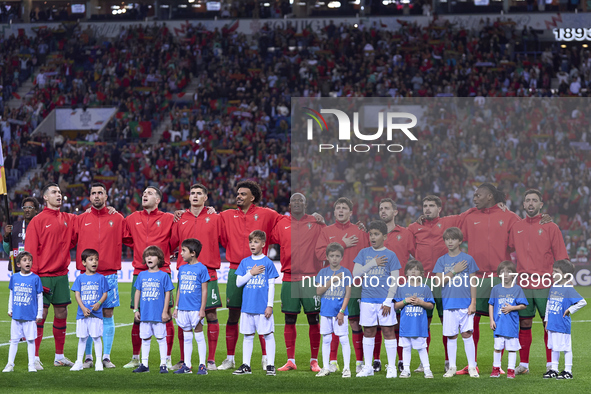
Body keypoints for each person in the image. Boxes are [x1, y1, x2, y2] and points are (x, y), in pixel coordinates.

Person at [218, 181, 281, 371]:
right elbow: (210, 223)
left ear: (252, 197)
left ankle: (265, 357)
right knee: (233, 314)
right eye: (237, 193)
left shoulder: (267, 214)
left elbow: (286, 223)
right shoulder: (226, 215)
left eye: (243, 194)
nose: (238, 196)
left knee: (262, 313)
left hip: (260, 269)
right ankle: (230, 358)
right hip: (236, 268)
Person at [458, 183, 521, 374]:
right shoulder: (471, 217)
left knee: (501, 320)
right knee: (471, 321)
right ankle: (472, 363)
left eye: (478, 195)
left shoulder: (509, 217)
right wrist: (470, 210)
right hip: (476, 276)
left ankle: (498, 366)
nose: (474, 198)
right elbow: (452, 227)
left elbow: (522, 233)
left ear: (490, 197)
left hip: (501, 278)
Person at [407, 195, 473, 372]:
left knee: (447, 322)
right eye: (425, 205)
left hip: (446, 281)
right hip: (423, 281)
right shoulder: (414, 227)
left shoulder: (449, 221)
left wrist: (496, 203)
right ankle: (423, 361)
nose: (427, 209)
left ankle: (447, 361)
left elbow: (469, 213)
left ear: (439, 209)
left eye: (431, 206)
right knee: (423, 323)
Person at [508, 189, 568, 375]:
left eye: (535, 200)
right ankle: (524, 365)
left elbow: (562, 258)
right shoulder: (516, 227)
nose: (531, 203)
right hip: (523, 285)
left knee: (548, 324)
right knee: (524, 324)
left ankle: (551, 364)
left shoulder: (551, 227)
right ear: (524, 205)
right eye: (528, 200)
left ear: (541, 204)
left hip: (546, 284)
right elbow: (508, 250)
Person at [75, 183, 131, 369]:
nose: (97, 196)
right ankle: (89, 357)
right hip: (86, 276)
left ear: (106, 197)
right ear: (89, 197)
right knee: (88, 313)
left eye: (100, 193)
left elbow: (132, 239)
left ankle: (106, 356)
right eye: (93, 193)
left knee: (107, 313)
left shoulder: (118, 218)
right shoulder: (81, 219)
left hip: (109, 274)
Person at [170, 184, 223, 371]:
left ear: (205, 198)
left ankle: (211, 360)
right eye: (192, 193)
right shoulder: (179, 218)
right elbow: (172, 243)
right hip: (185, 274)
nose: (195, 196)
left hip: (208, 272)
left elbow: (225, 239)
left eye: (199, 193)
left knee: (210, 314)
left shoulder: (215, 217)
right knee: (182, 315)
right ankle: (184, 360)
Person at [24, 183, 77, 369]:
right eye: (54, 192)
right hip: (42, 276)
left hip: (62, 275)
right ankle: (35, 357)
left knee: (62, 312)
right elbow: (30, 253)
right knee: (41, 315)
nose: (59, 195)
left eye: (60, 192)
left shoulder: (68, 218)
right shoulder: (37, 221)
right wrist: (34, 279)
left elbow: (88, 221)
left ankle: (59, 357)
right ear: (45, 197)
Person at [123, 186, 176, 370]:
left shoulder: (169, 218)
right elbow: (126, 238)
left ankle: (167, 358)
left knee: (166, 316)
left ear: (158, 199)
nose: (145, 194)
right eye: (144, 192)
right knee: (137, 317)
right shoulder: (131, 218)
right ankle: (136, 358)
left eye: (150, 193)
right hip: (140, 272)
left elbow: (178, 238)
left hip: (163, 272)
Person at [271, 193, 325, 372]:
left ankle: (314, 361)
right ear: (289, 205)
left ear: (305, 204)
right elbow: (269, 238)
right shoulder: (282, 223)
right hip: (289, 277)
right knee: (289, 319)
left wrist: (323, 221)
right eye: (293, 200)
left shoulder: (316, 223)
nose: (297, 203)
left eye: (300, 200)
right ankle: (290, 360)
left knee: (313, 319)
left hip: (311, 278)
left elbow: (329, 238)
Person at [315, 197, 369, 373]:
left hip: (355, 283)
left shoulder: (360, 231)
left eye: (344, 208)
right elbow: (319, 254)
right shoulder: (327, 231)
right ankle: (332, 362)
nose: (340, 210)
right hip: (332, 285)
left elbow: (367, 254)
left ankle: (359, 362)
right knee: (332, 323)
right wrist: (343, 244)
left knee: (354, 323)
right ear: (334, 211)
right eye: (338, 207)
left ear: (351, 212)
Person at [353, 220, 401, 378]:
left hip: (384, 302)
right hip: (367, 300)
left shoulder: (391, 255)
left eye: (376, 234)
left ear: (384, 236)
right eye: (371, 234)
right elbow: (356, 274)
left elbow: (395, 280)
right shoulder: (364, 253)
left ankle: (392, 367)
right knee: (368, 331)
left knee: (388, 331)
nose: (372, 237)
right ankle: (368, 367)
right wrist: (373, 263)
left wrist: (388, 301)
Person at [433, 227, 479, 378]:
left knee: (467, 334)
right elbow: (439, 282)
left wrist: (473, 303)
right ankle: (452, 367)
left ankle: (472, 367)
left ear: (460, 241)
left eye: (453, 239)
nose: (450, 241)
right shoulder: (441, 260)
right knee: (451, 336)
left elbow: (473, 282)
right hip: (449, 304)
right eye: (447, 239)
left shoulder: (468, 259)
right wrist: (454, 270)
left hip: (465, 304)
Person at [233, 230, 279, 376]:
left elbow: (271, 285)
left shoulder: (267, 263)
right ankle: (246, 365)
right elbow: (239, 282)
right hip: (247, 306)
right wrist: (251, 273)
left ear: (263, 244)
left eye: (256, 241)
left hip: (262, 307)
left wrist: (270, 305)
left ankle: (270, 365)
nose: (253, 244)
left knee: (268, 335)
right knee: (247, 336)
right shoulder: (245, 262)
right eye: (251, 241)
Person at [379, 198, 415, 373]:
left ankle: (401, 360)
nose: (383, 211)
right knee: (378, 324)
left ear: (395, 212)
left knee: (400, 325)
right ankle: (377, 360)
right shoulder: (373, 234)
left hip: (400, 286)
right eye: (381, 208)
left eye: (387, 208)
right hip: (378, 286)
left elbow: (417, 256)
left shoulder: (406, 234)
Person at [132, 246, 175, 374]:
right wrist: (135, 310)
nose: (149, 258)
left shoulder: (164, 275)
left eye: (152, 255)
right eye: (147, 256)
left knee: (161, 339)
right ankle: (144, 364)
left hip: (158, 314)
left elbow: (168, 293)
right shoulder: (141, 275)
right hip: (145, 314)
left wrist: (165, 311)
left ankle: (163, 364)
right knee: (145, 338)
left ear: (159, 259)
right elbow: (137, 292)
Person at [543, 260, 587, 380]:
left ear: (566, 275)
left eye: (556, 272)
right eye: (553, 271)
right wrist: (546, 320)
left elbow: (582, 302)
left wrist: (570, 310)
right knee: (553, 347)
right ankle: (554, 369)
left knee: (566, 347)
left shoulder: (568, 289)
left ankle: (568, 371)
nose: (553, 274)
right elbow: (548, 304)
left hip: (562, 324)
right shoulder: (553, 287)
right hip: (552, 323)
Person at [172, 238, 210, 375]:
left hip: (195, 309)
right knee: (187, 337)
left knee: (199, 336)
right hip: (182, 308)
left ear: (193, 253)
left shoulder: (202, 268)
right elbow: (180, 289)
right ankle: (187, 366)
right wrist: (176, 307)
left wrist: (202, 309)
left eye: (183, 250)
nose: (180, 253)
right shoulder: (182, 268)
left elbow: (204, 290)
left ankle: (202, 365)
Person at [315, 242, 352, 378]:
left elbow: (348, 293)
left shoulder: (346, 272)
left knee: (343, 339)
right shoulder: (323, 272)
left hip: (339, 312)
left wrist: (342, 311)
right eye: (332, 256)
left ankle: (347, 368)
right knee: (326, 339)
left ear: (342, 257)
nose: (334, 258)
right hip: (325, 312)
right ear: (327, 257)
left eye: (337, 256)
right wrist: (332, 280)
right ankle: (325, 368)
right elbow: (319, 291)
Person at [393, 259, 435, 379]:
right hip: (406, 325)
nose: (413, 272)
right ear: (406, 273)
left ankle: (427, 369)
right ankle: (406, 370)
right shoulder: (402, 288)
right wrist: (406, 301)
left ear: (421, 274)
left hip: (419, 325)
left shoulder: (425, 288)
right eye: (410, 269)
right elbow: (395, 306)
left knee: (422, 347)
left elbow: (431, 305)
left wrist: (420, 302)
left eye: (416, 270)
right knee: (406, 348)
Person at [69, 249, 109, 372]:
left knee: (97, 338)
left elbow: (105, 293)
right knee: (82, 338)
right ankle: (78, 362)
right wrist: (82, 307)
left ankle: (98, 362)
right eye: (91, 259)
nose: (94, 262)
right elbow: (77, 295)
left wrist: (99, 303)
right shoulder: (80, 278)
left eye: (96, 259)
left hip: (96, 315)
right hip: (82, 314)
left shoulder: (101, 278)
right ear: (84, 262)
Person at [3, 252, 43, 373]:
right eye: (25, 260)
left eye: (30, 260)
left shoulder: (35, 278)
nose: (28, 262)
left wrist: (39, 313)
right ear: (19, 264)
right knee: (14, 340)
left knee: (30, 340)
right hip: (17, 316)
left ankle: (31, 365)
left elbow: (39, 296)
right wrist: (10, 309)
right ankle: (10, 364)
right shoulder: (15, 277)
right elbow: (12, 293)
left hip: (30, 316)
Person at [488, 261, 528, 379]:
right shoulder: (496, 289)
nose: (505, 274)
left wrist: (512, 308)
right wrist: (491, 320)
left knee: (511, 349)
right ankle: (495, 369)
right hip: (499, 324)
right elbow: (491, 304)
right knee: (497, 348)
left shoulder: (517, 289)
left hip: (511, 325)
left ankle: (511, 370)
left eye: (508, 272)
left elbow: (523, 305)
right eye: (502, 272)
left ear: (513, 274)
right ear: (499, 274)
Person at [3, 197, 40, 272]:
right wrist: (6, 236)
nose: (27, 210)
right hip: (17, 268)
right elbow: (8, 250)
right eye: (25, 207)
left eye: (30, 207)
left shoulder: (40, 227)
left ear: (36, 210)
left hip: (35, 268)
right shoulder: (15, 226)